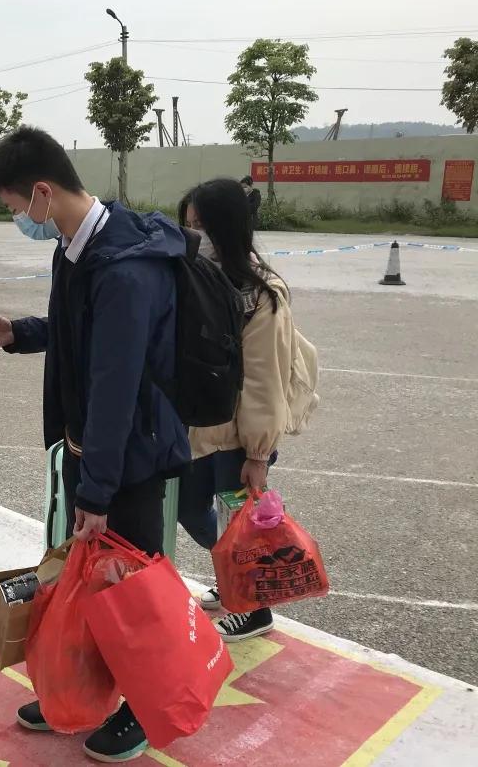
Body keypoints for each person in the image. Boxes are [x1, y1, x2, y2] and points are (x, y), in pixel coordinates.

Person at [0, 126, 190, 763]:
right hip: (90, 450)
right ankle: (80, 688)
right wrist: (19, 332)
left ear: (42, 193)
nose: (19, 220)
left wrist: (97, 491)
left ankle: (143, 708)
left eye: (16, 208)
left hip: (128, 456)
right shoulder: (78, 245)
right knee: (84, 578)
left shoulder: (125, 268)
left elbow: (114, 386)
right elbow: (78, 332)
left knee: (131, 589)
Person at [176, 177, 295, 642]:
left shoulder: (261, 293)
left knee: (239, 524)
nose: (195, 235)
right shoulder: (192, 277)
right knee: (188, 509)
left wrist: (258, 454)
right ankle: (234, 578)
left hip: (240, 436)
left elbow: (265, 378)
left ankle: (255, 606)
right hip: (198, 428)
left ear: (226, 228)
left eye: (202, 225)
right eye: (188, 225)